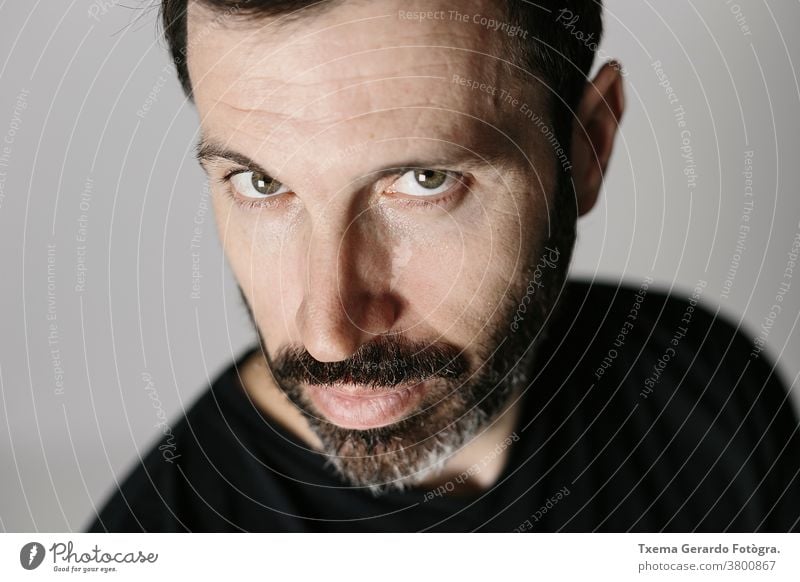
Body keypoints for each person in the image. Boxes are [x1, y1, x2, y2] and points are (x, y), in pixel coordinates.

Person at [87, 0, 800, 532]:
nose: (330, 335)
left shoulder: (708, 390)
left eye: (426, 180)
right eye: (262, 184)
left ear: (586, 149)